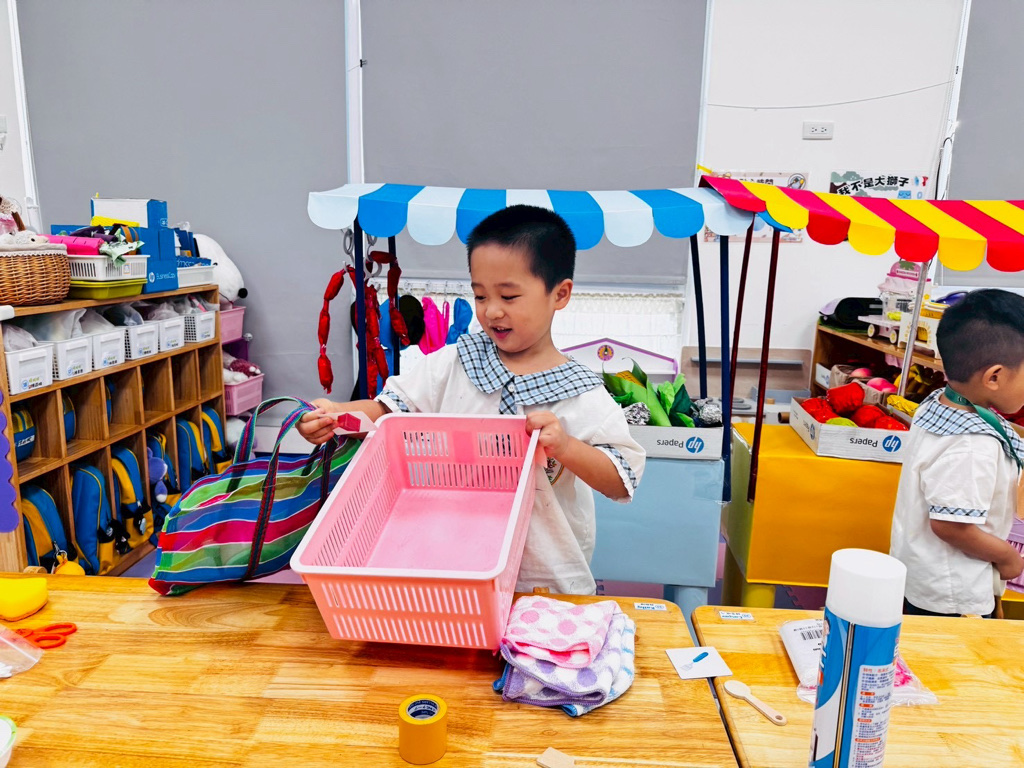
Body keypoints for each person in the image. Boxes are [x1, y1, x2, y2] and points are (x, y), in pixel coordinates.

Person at [298, 205, 646, 594]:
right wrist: (336, 414)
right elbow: (386, 411)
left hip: (543, 582)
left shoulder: (581, 392)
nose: (491, 311)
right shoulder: (454, 364)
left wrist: (565, 447)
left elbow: (620, 481)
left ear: (560, 294)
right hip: (451, 569)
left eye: (509, 296)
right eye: (480, 296)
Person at [890, 289, 1024, 618]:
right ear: (994, 377)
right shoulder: (971, 446)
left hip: (922, 573)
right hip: (952, 595)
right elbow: (952, 527)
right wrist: (1008, 557)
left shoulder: (940, 404)